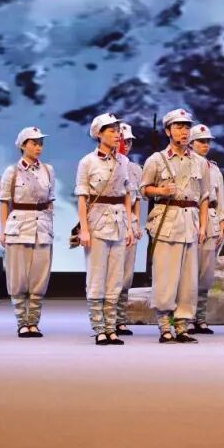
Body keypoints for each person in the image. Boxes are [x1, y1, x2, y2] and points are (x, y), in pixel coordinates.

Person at [140, 109, 210, 344]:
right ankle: (164, 326)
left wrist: (203, 226)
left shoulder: (199, 162)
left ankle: (182, 326)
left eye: (187, 127)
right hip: (167, 223)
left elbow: (204, 196)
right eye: (178, 127)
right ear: (168, 131)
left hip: (190, 223)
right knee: (166, 277)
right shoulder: (156, 159)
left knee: (188, 281)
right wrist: (160, 190)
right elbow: (144, 189)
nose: (184, 131)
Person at [75, 113, 135, 345]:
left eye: (118, 130)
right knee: (96, 276)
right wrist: (84, 229)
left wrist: (129, 226)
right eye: (111, 131)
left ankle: (111, 327)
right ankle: (99, 327)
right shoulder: (87, 162)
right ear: (99, 134)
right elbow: (82, 197)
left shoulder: (124, 162)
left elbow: (127, 194)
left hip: (119, 222)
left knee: (115, 278)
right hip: (97, 222)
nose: (117, 134)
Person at [0, 126, 55, 338]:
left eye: (41, 143)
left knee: (40, 276)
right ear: (23, 145)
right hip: (18, 226)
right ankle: (22, 321)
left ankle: (34, 322)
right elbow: (4, 202)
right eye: (34, 143)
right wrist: (3, 230)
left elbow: (50, 201)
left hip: (42, 226)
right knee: (18, 276)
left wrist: (50, 224)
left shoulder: (48, 170)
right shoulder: (12, 171)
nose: (38, 147)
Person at [189, 124, 224, 335]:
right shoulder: (187, 164)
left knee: (206, 275)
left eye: (207, 142)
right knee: (188, 273)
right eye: (201, 141)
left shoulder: (214, 169)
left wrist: (221, 224)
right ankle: (185, 317)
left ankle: (200, 318)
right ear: (191, 143)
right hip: (190, 217)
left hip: (210, 220)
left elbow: (219, 199)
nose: (205, 145)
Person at [114, 122, 144, 336]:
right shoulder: (107, 165)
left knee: (126, 275)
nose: (126, 145)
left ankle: (121, 318)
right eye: (123, 141)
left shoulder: (135, 168)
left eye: (130, 142)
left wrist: (137, 223)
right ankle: (108, 318)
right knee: (111, 273)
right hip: (111, 219)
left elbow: (136, 199)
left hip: (130, 222)